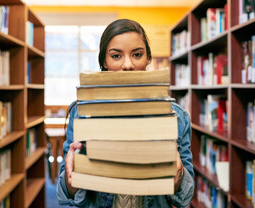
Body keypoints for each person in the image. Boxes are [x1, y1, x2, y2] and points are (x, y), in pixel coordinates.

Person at [57, 19, 194, 208]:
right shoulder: (83, 113)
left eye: (137, 54)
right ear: (104, 61)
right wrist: (71, 179)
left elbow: (185, 197)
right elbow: (66, 196)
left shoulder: (176, 117)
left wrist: (177, 177)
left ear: (148, 58)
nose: (128, 65)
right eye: (116, 56)